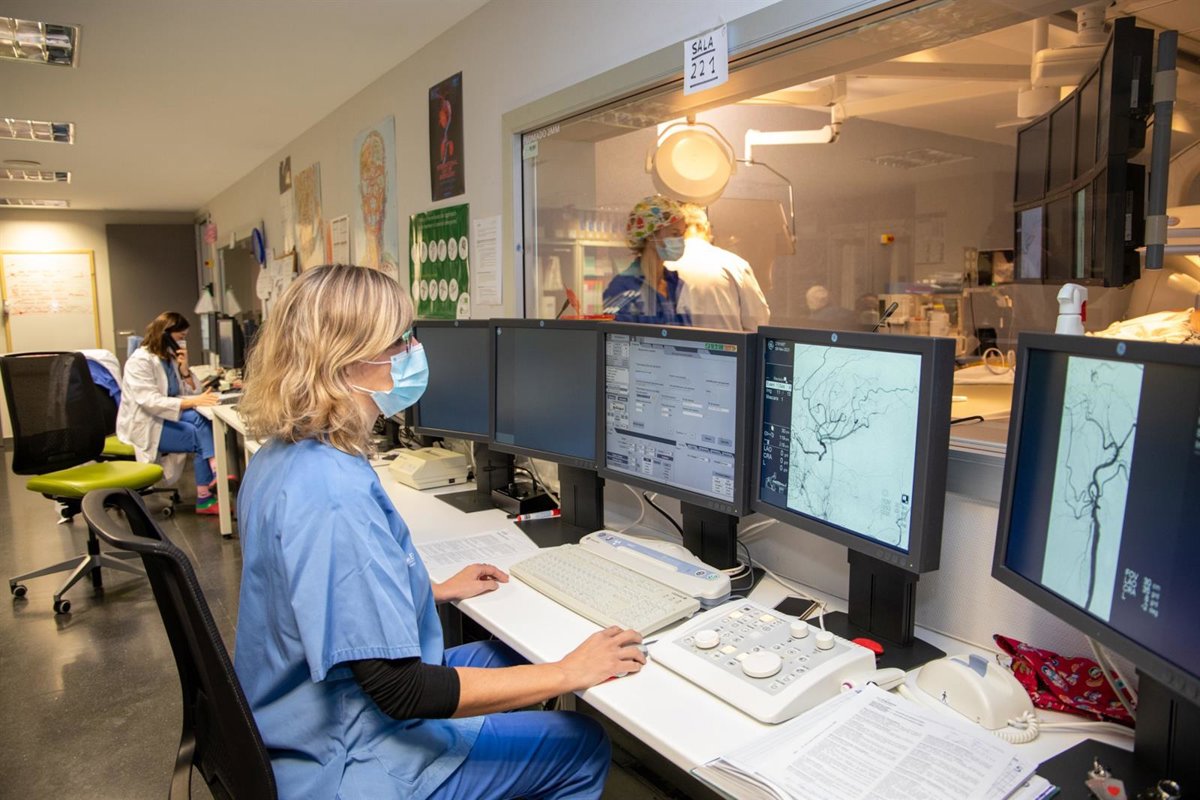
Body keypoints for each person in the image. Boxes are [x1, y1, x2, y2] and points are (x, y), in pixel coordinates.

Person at [235, 264, 645, 800]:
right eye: (399, 339)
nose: (414, 350)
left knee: (513, 655)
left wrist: (427, 589)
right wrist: (570, 673)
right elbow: (402, 691)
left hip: (297, 712)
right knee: (581, 743)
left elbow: (314, 589)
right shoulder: (332, 492)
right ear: (348, 358)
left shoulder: (284, 456)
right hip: (345, 754)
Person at [117, 311, 221, 513]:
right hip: (147, 422)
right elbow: (150, 401)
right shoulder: (140, 361)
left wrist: (185, 370)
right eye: (180, 337)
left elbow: (189, 392)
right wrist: (194, 401)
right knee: (199, 437)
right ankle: (206, 495)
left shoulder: (169, 358)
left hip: (164, 415)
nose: (182, 343)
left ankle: (215, 472)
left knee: (203, 421)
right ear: (165, 334)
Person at [667, 203, 771, 332]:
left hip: (675, 344)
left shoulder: (665, 266)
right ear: (707, 228)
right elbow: (758, 321)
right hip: (729, 344)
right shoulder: (735, 264)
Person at [602, 194, 689, 324]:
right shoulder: (624, 287)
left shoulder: (676, 285)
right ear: (650, 234)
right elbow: (613, 333)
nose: (680, 241)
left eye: (682, 235)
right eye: (675, 234)